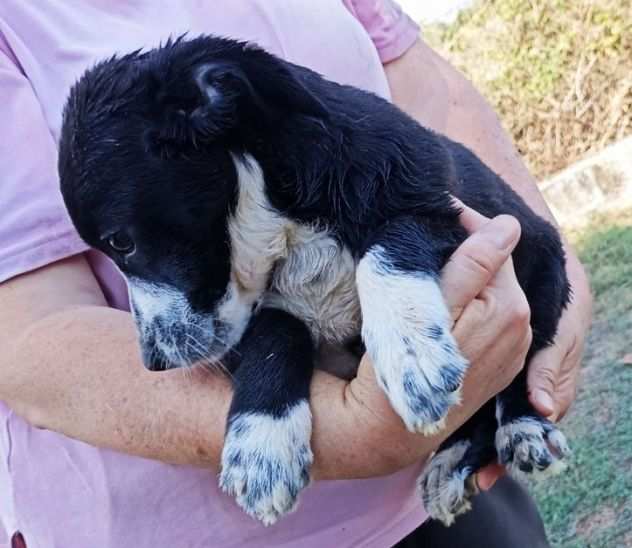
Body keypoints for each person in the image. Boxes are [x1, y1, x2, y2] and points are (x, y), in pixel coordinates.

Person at [0, 1, 591, 547]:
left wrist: (551, 276)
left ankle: (498, 427)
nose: (153, 351)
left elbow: (433, 101)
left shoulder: (287, 151)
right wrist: (346, 431)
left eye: (122, 244)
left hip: (433, 492)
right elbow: (24, 338)